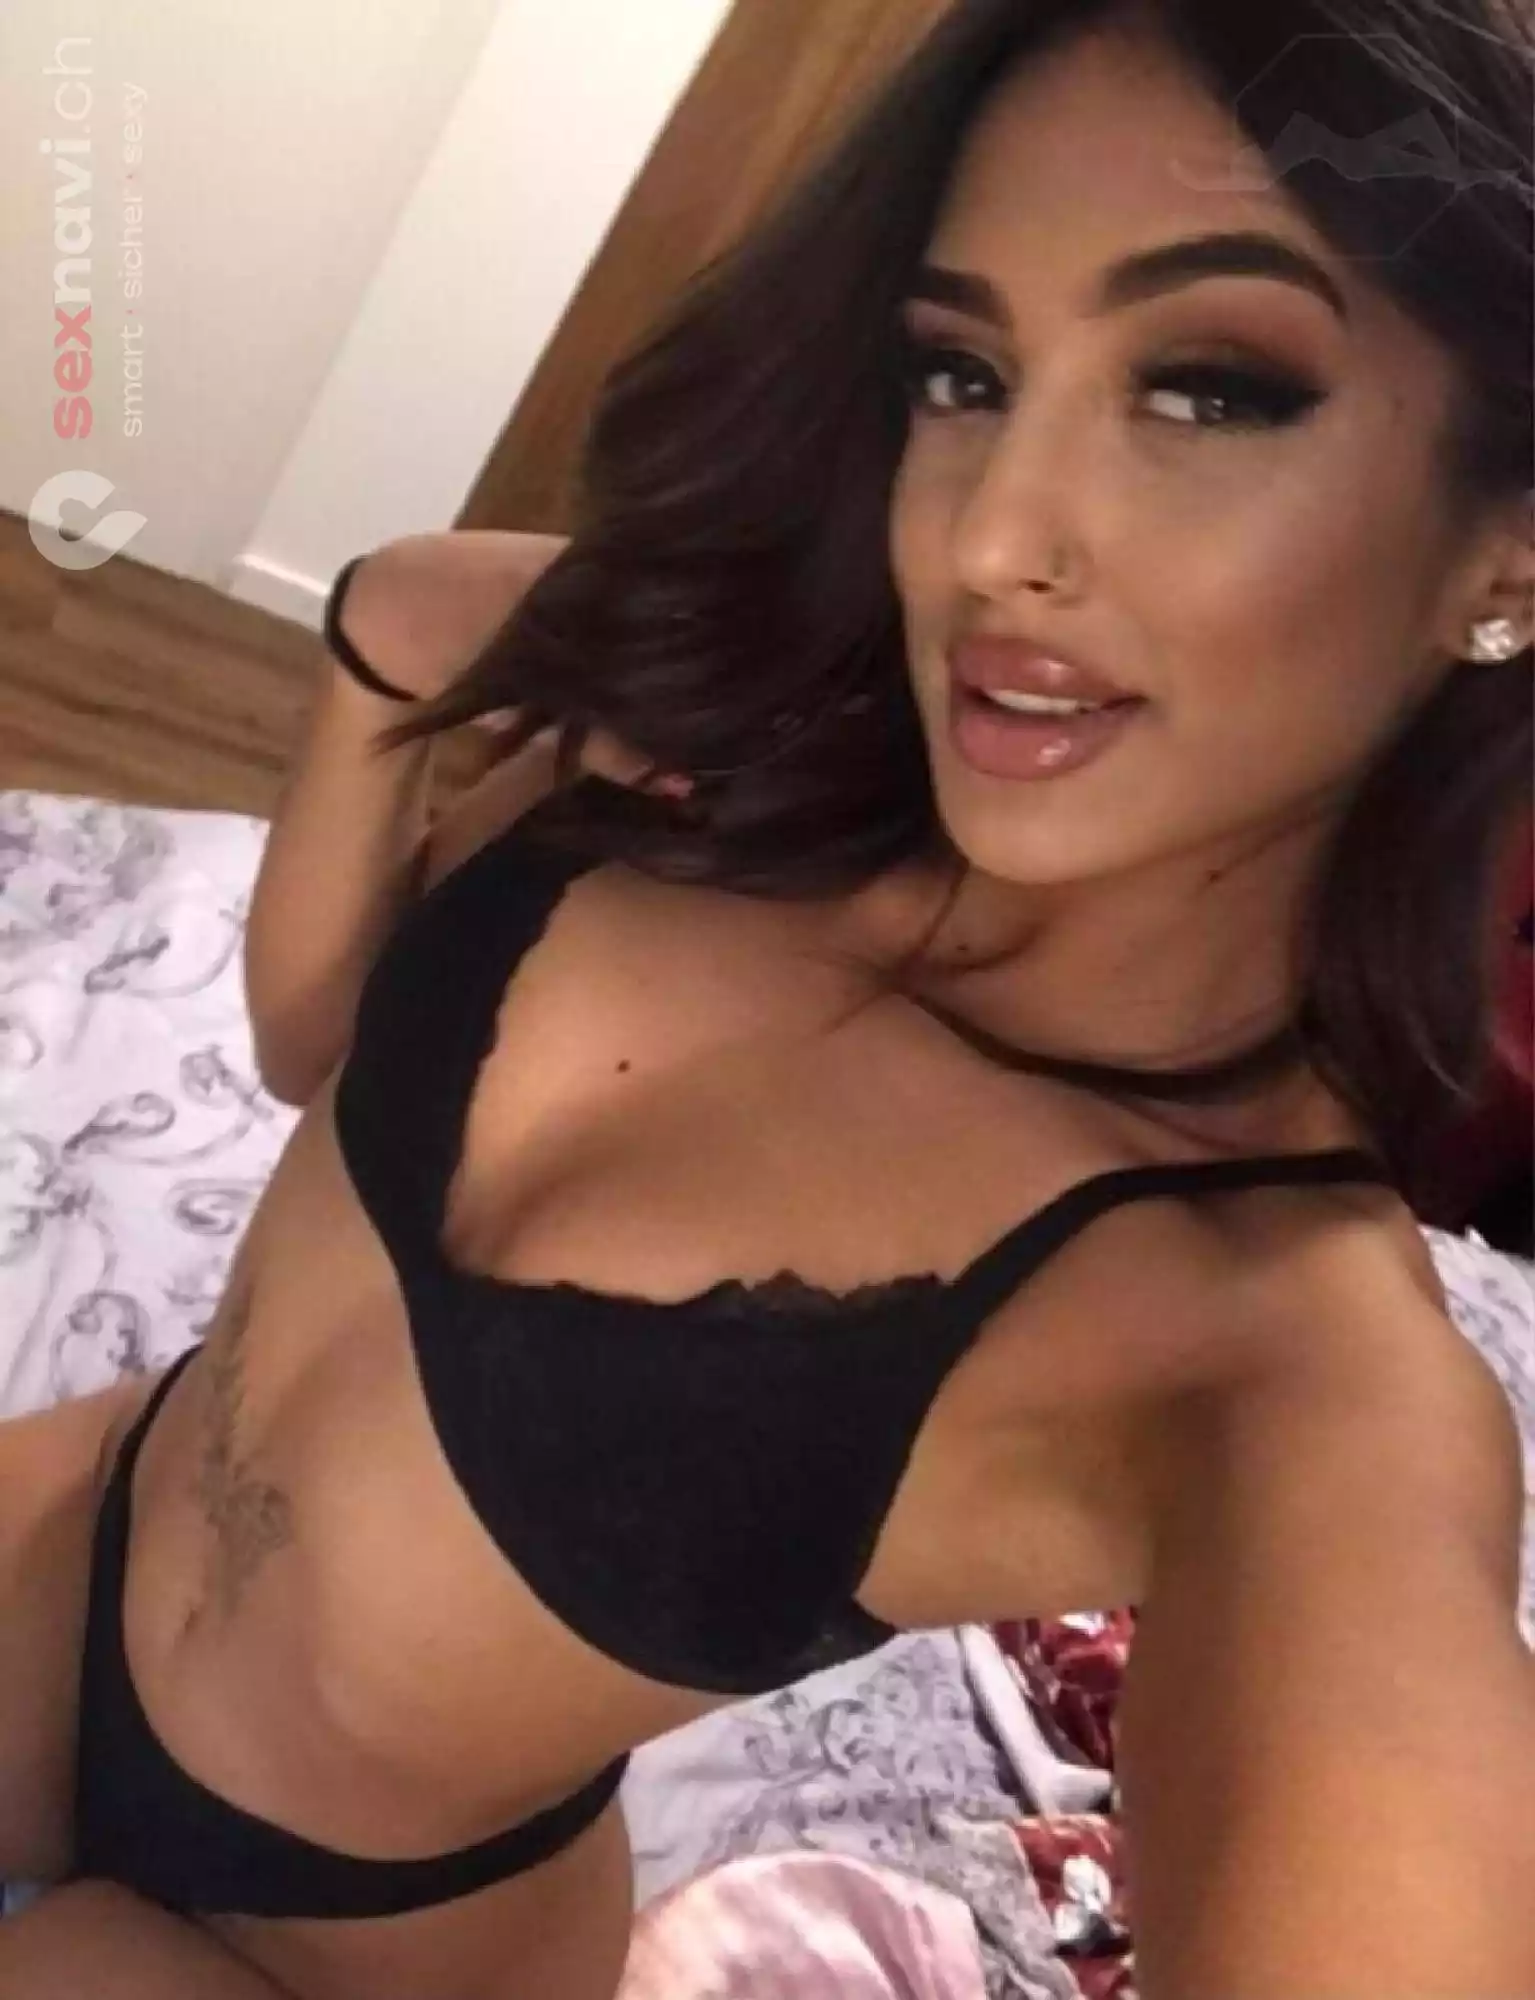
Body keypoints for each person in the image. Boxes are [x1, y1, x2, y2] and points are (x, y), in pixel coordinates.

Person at [2, 0, 1532, 1993]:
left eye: (1208, 389)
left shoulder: (1272, 1360)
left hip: (328, 1945)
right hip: (85, 1528)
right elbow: (317, 1056)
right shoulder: (732, 759)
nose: (987, 538)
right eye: (960, 373)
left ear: (1503, 549)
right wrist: (376, 664)